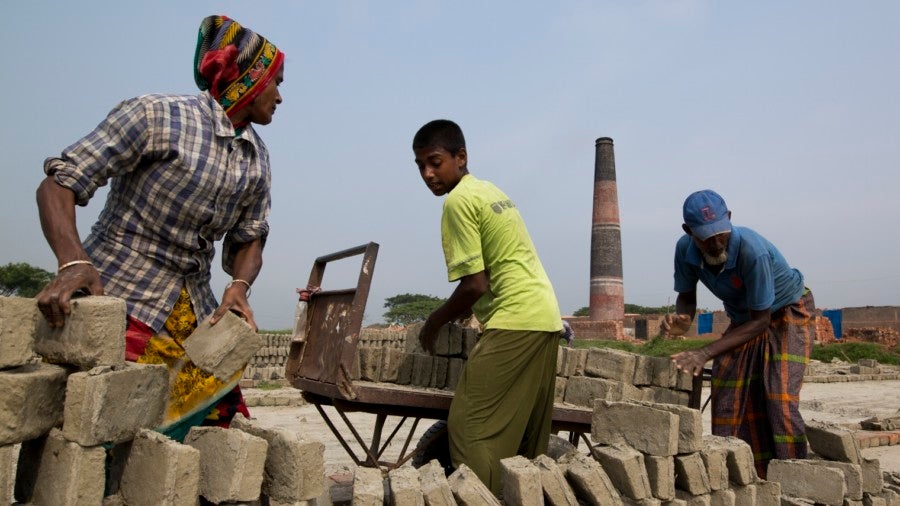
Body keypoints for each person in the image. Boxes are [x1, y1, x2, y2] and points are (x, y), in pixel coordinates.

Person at [35, 15, 285, 441]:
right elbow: (59, 183)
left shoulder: (257, 158)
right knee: (100, 427)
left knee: (218, 429)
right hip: (122, 294)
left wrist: (240, 284)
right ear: (250, 80)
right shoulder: (158, 116)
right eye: (277, 82)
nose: (281, 97)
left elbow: (251, 235)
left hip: (193, 305)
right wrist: (72, 261)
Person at [413, 119, 563, 495]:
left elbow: (475, 283)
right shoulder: (488, 190)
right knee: (525, 435)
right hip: (544, 316)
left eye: (435, 162)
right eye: (420, 167)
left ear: (460, 157)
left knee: (470, 427)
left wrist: (433, 323)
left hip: (516, 320)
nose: (428, 174)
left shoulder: (458, 201)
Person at [664, 189, 815, 477]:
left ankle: (796, 475)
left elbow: (762, 322)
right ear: (688, 231)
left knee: (779, 398)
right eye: (705, 236)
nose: (715, 242)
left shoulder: (751, 250)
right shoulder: (685, 250)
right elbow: (686, 296)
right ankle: (744, 477)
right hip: (745, 317)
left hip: (786, 312)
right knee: (727, 394)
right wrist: (683, 320)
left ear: (729, 219)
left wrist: (705, 352)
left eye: (720, 233)